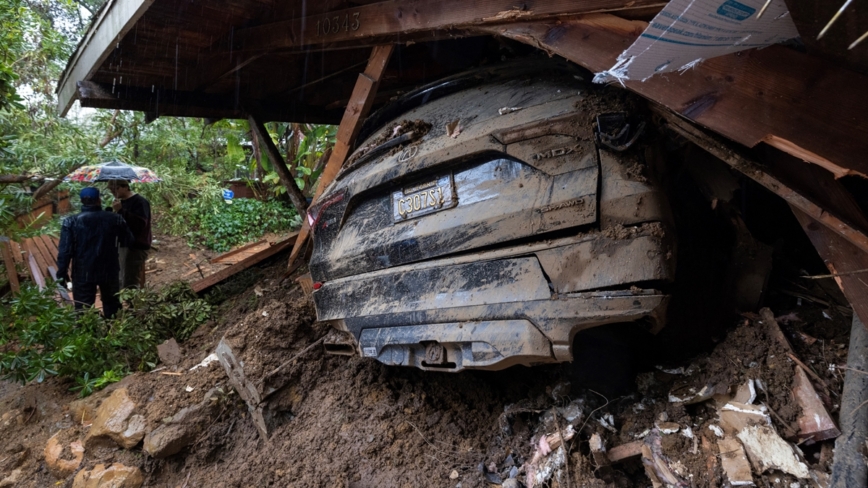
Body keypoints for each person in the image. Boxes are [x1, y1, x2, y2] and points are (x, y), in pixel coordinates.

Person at [56, 187, 132, 318]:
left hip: (82, 272)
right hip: (109, 270)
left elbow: (65, 251)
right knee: (113, 306)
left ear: (81, 201)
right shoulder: (115, 219)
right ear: (99, 200)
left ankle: (88, 335)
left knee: (83, 310)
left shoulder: (71, 222)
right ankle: (113, 333)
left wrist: (62, 275)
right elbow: (128, 240)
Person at [107, 179, 152, 289]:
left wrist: (121, 211)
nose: (113, 191)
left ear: (125, 187)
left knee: (130, 280)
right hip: (124, 244)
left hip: (136, 246)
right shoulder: (121, 202)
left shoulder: (140, 202)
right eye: (111, 189)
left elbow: (140, 224)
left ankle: (134, 305)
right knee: (122, 278)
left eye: (115, 188)